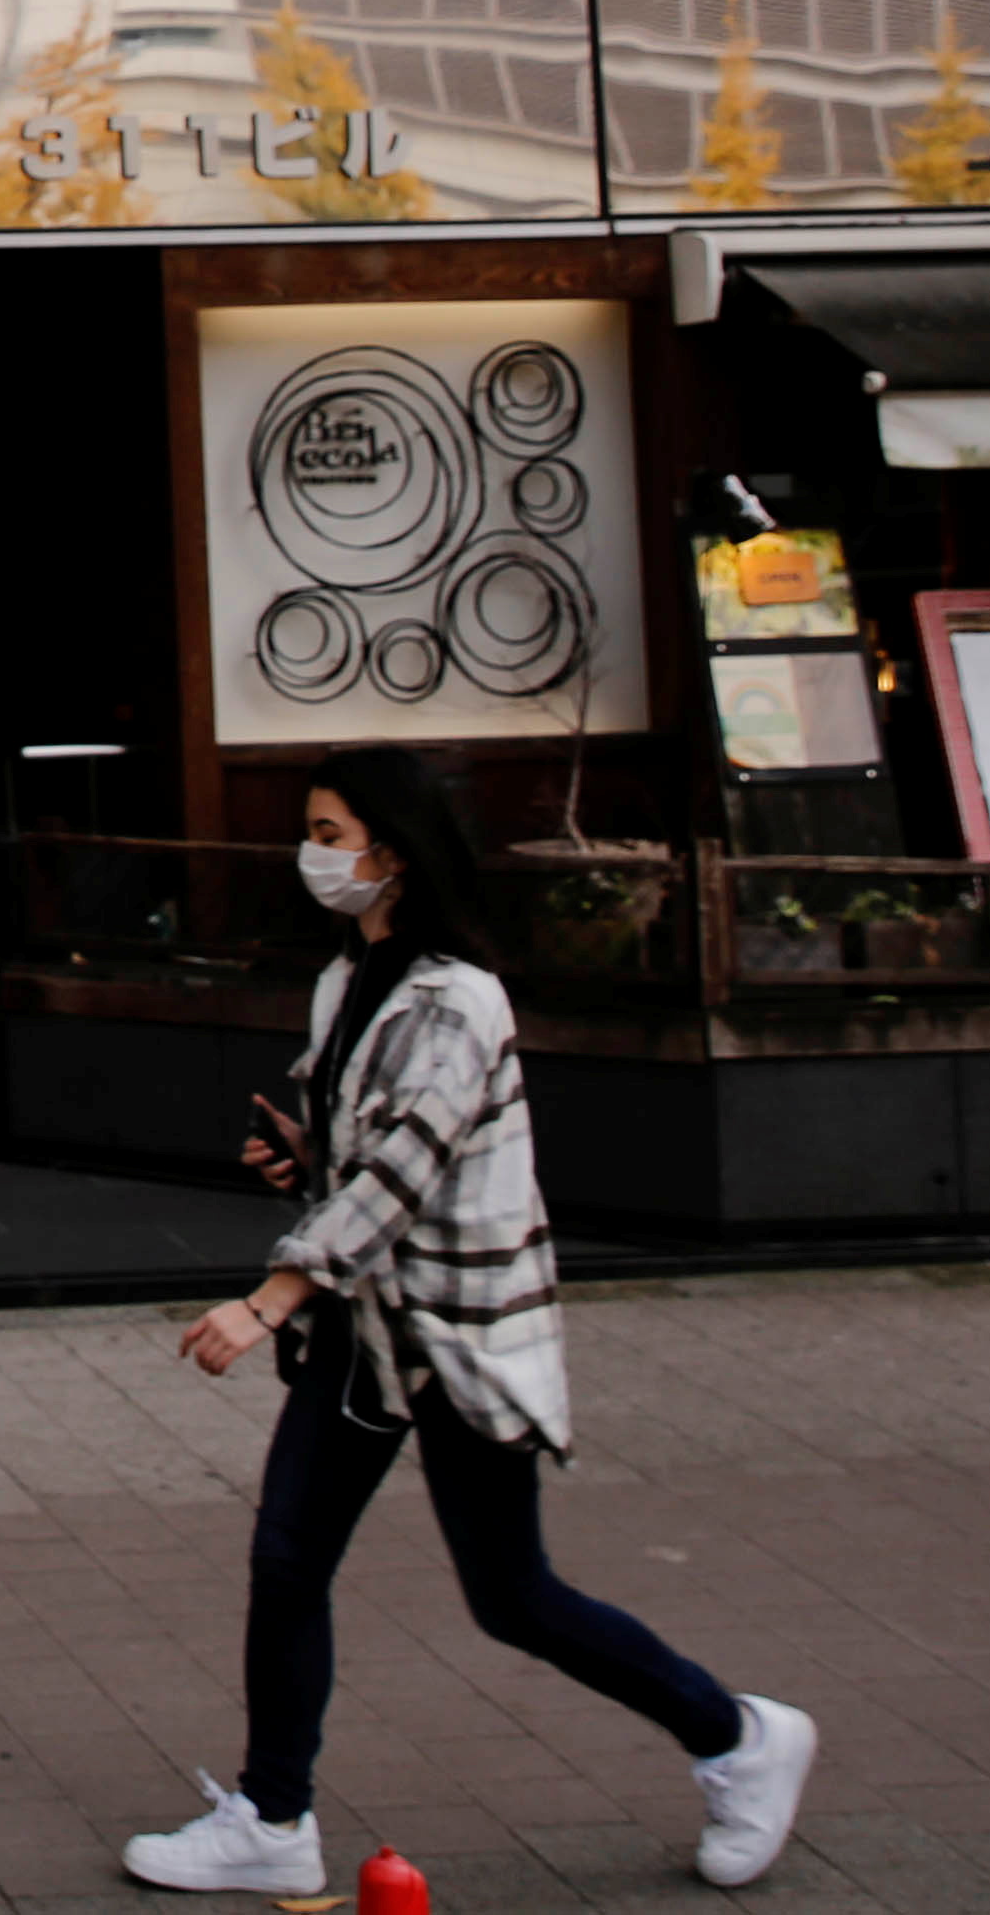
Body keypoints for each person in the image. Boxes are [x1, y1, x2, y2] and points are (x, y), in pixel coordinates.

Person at [125, 750, 820, 1894]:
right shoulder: (348, 981)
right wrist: (301, 1160)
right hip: (368, 1330)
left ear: (391, 851)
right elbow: (361, 1159)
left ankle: (738, 1737)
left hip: (457, 1336)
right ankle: (272, 1816)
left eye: (330, 831)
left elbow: (399, 1174)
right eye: (311, 829)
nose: (314, 853)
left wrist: (268, 1300)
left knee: (513, 1598)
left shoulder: (455, 999)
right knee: (287, 1561)